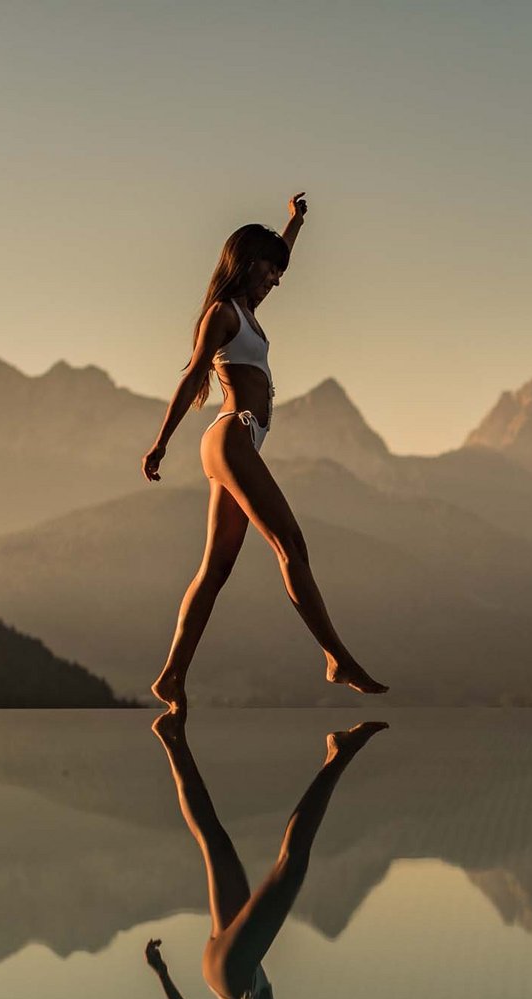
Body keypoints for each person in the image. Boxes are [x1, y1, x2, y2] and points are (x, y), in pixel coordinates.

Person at [143, 192, 387, 714]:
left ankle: (170, 677)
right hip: (232, 436)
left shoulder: (248, 311)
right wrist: (161, 442)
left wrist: (293, 226)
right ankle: (336, 657)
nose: (275, 280)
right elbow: (192, 377)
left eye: (278, 273)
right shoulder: (223, 314)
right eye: (269, 271)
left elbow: (281, 259)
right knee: (291, 544)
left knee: (215, 570)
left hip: (238, 441)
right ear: (247, 263)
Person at [143, 713, 388, 999]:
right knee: (216, 844)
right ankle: (171, 736)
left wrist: (162, 973)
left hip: (235, 973)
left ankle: (337, 757)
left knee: (290, 868)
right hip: (228, 973)